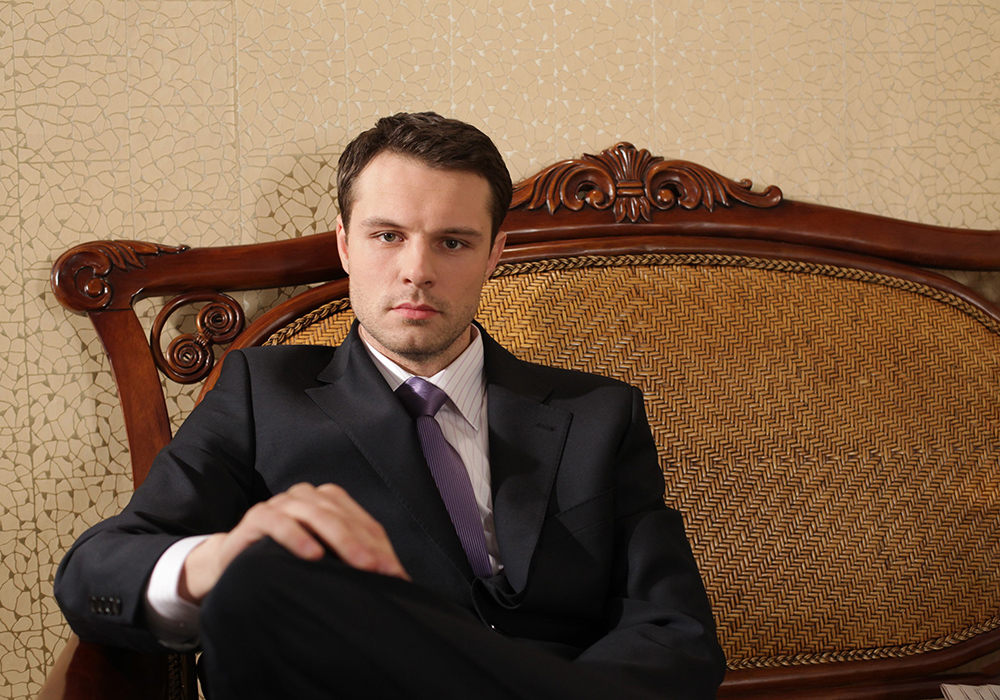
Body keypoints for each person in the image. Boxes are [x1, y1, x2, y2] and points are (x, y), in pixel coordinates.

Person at [55, 112, 726, 699]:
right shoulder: (261, 393)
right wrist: (221, 558)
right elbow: (95, 570)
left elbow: (675, 631)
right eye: (387, 236)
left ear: (495, 254)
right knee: (261, 583)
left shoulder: (600, 413)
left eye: (453, 242)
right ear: (344, 244)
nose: (417, 270)